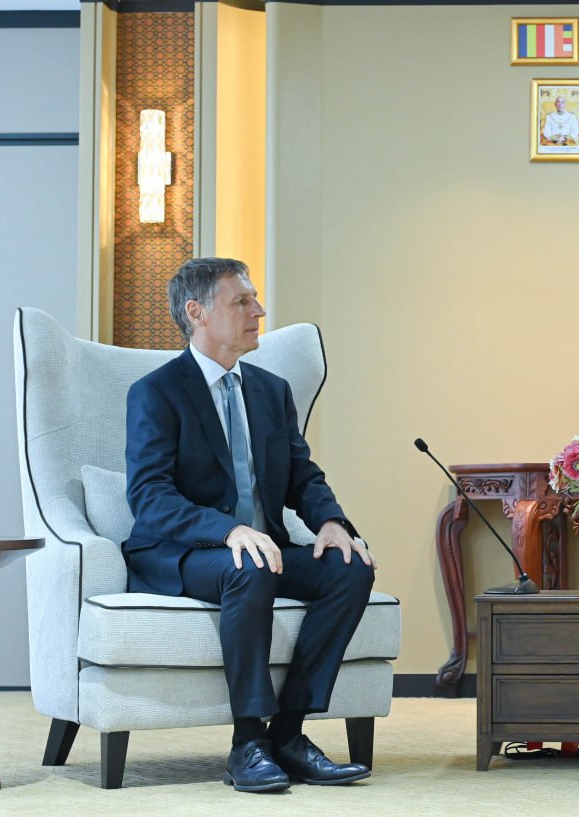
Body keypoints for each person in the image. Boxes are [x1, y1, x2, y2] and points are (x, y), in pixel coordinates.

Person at [124, 257, 379, 793]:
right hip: (186, 553)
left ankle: (288, 734)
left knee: (349, 567)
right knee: (249, 565)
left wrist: (332, 522)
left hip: (264, 550)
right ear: (196, 312)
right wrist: (227, 530)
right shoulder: (156, 392)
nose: (258, 311)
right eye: (242, 301)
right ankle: (247, 742)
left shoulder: (270, 390)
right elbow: (149, 496)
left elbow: (302, 474)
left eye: (254, 299)